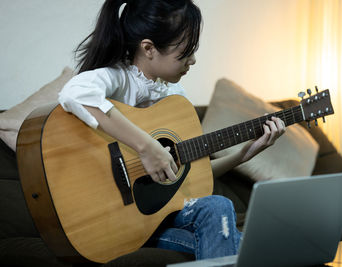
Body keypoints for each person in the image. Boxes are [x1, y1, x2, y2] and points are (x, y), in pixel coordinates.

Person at [58, 0, 286, 261]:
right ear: (149, 48)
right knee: (238, 229)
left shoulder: (175, 97)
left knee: (231, 223)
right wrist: (146, 147)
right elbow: (75, 93)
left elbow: (188, 177)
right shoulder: (117, 78)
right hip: (114, 220)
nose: (194, 59)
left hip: (162, 221)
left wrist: (243, 154)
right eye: (186, 51)